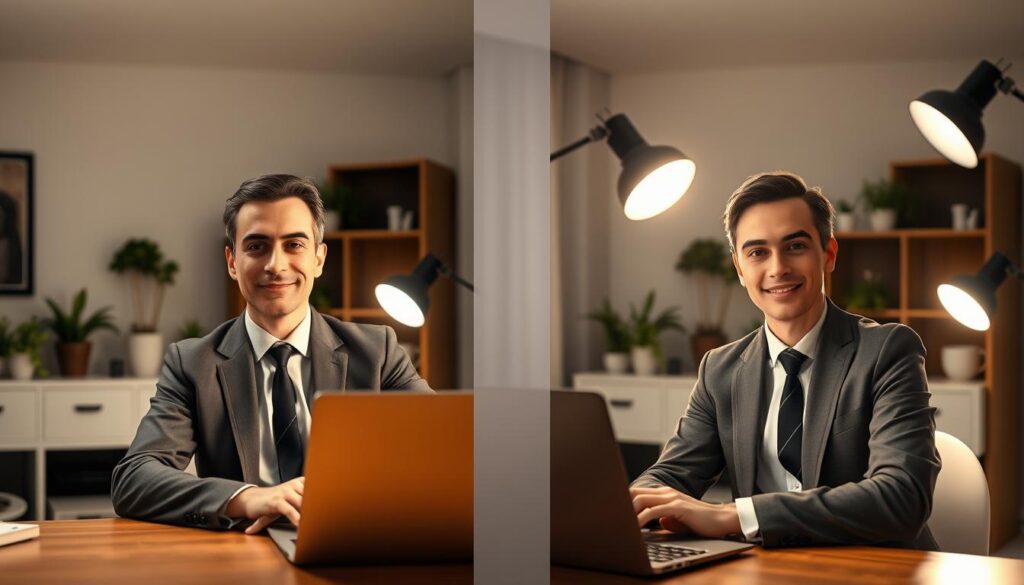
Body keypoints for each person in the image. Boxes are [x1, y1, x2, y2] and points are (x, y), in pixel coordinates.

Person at [630, 172, 940, 549]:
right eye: (757, 252)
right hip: (767, 568)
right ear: (739, 269)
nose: (777, 268)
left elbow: (902, 497)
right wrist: (633, 504)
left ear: (828, 254)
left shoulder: (888, 350)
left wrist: (735, 515)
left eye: (795, 246)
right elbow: (670, 476)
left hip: (876, 567)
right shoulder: (720, 370)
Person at [112, 174, 429, 533]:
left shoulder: (378, 353)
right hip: (242, 548)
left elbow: (442, 448)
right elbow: (134, 479)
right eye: (256, 246)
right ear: (232, 262)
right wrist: (246, 497)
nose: (275, 265)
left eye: (294, 244)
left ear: (319, 258)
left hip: (351, 543)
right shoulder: (193, 364)